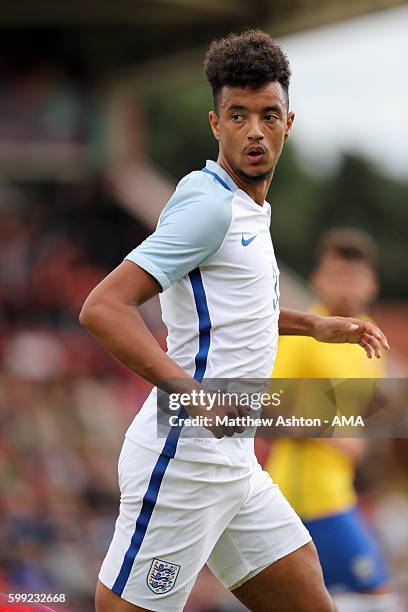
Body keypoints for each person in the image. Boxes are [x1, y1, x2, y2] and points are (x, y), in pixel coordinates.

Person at [80, 30, 389, 612]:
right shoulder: (209, 206)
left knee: (308, 593)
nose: (254, 131)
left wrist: (314, 325)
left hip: (235, 461)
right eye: (238, 115)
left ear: (288, 122)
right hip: (185, 459)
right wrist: (192, 396)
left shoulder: (247, 207)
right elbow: (103, 307)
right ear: (215, 124)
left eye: (268, 115)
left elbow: (234, 313)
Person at [265, 229, 399, 611]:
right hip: (305, 494)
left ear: (371, 283)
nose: (346, 284)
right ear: (318, 278)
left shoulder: (370, 336)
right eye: (336, 274)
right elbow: (267, 405)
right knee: (377, 598)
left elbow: (362, 410)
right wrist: (331, 434)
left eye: (354, 275)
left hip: (339, 490)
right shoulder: (304, 332)